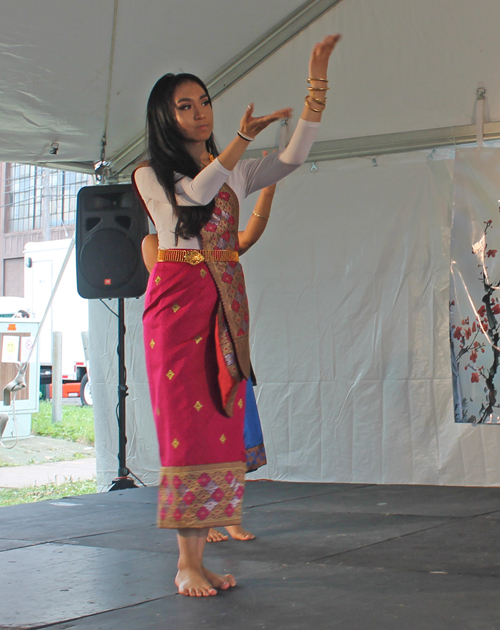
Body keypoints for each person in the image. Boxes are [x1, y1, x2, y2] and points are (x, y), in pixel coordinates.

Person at [132, 33, 341, 598]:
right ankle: (185, 564)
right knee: (186, 429)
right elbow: (196, 197)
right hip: (177, 304)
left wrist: (315, 89)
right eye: (186, 105)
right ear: (164, 116)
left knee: (222, 421)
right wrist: (240, 141)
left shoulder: (234, 171)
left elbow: (292, 159)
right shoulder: (149, 173)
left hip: (224, 302)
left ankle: (200, 557)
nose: (200, 113)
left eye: (204, 102)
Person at [142, 181, 276, 544]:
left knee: (235, 432)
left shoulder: (214, 238)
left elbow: (245, 240)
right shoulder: (156, 243)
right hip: (189, 346)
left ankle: (229, 514)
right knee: (198, 436)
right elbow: (174, 286)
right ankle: (206, 520)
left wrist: (268, 189)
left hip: (226, 337)